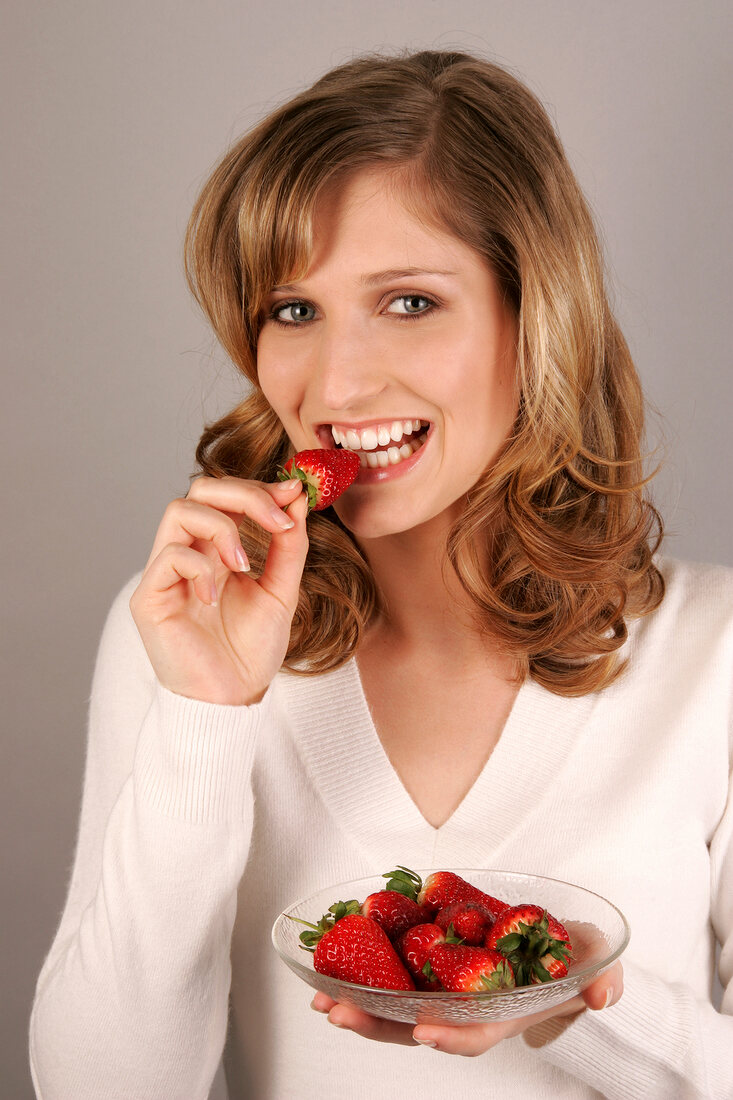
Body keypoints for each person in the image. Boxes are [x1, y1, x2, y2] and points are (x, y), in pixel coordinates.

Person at [29, 49, 732, 1100]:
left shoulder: (711, 653)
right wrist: (207, 717)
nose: (337, 383)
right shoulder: (188, 642)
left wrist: (571, 1011)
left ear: (531, 314)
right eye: (293, 310)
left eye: (408, 301)